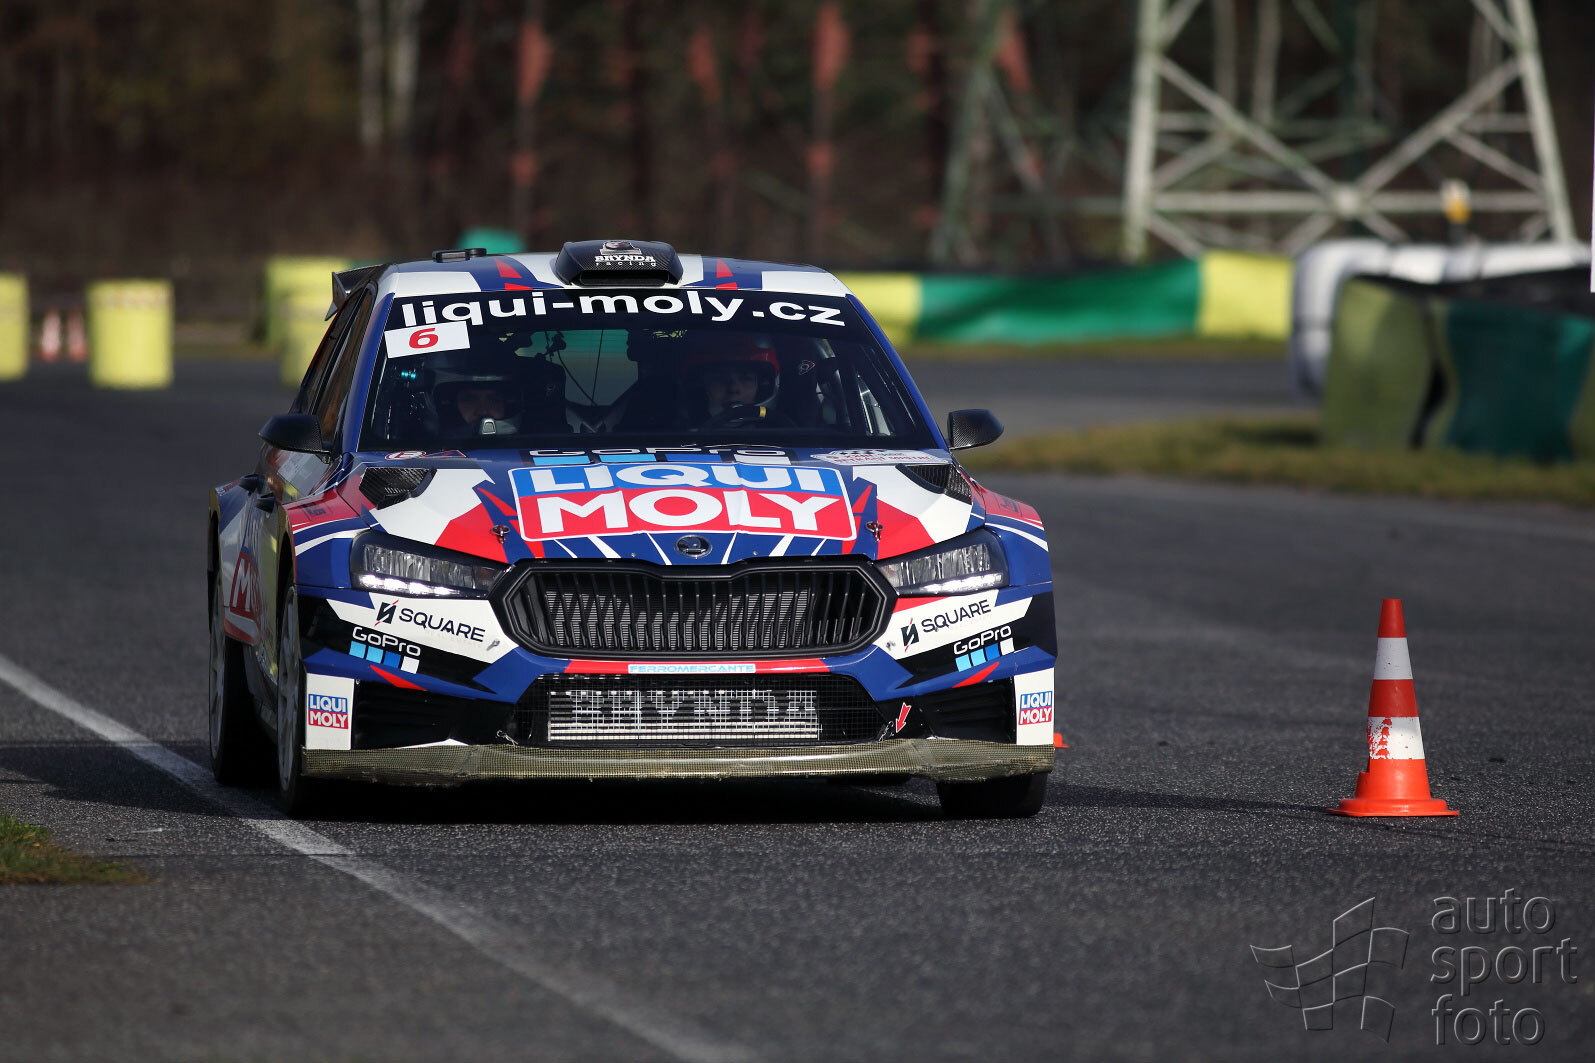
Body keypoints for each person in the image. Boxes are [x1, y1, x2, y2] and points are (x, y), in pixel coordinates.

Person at [682, 340, 781, 422]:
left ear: (762, 386)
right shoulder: (677, 432)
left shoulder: (783, 431)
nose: (733, 388)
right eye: (719, 378)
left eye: (746, 378)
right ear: (701, 385)